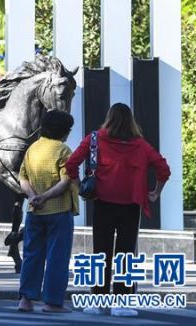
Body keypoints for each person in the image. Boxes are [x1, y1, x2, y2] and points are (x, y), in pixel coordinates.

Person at [66, 103, 171, 318]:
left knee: (101, 252)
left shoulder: (94, 139)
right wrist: (156, 192)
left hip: (102, 203)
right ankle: (121, 304)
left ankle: (98, 302)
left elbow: (71, 164)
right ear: (131, 122)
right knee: (126, 254)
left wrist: (80, 187)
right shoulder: (141, 145)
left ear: (109, 118)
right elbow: (163, 169)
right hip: (131, 206)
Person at [17, 109, 79, 314]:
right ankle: (52, 302)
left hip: (34, 212)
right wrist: (45, 197)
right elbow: (65, 182)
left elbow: (23, 178)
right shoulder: (63, 150)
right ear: (63, 130)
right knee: (57, 258)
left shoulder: (32, 148)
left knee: (31, 255)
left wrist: (33, 196)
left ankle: (25, 300)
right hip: (59, 211)